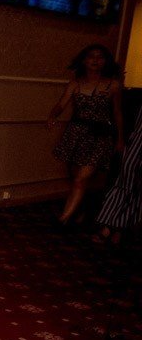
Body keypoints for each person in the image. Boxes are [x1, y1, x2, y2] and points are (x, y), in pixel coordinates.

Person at [47, 44, 124, 226]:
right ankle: (80, 211)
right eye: (91, 56)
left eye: (100, 57)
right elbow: (61, 104)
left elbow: (117, 113)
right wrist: (52, 116)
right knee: (75, 178)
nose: (95, 60)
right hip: (76, 134)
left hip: (99, 136)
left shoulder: (113, 85)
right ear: (84, 60)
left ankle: (63, 219)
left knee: (81, 179)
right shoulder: (75, 83)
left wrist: (120, 139)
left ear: (105, 61)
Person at [95, 112, 141, 244]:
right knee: (126, 181)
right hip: (137, 141)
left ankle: (119, 228)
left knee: (137, 188)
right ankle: (111, 226)